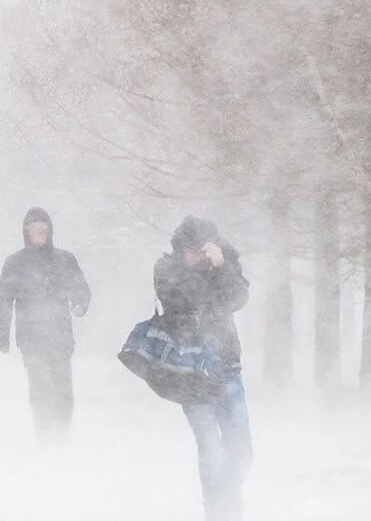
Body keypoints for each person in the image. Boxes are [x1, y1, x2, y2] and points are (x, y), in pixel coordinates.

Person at [154, 216, 252, 521]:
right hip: (190, 372)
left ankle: (229, 507)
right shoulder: (166, 269)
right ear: (181, 249)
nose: (199, 255)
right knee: (211, 448)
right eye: (193, 250)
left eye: (204, 249)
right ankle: (218, 513)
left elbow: (237, 298)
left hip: (226, 365)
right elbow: (183, 302)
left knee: (241, 450)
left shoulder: (225, 263)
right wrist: (202, 270)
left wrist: (221, 266)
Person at [0, 207, 91, 444]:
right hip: (31, 338)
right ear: (26, 233)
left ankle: (62, 434)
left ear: (50, 232)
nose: (39, 234)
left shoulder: (64, 260)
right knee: (39, 389)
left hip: (60, 335)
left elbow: (80, 287)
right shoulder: (15, 263)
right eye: (34, 230)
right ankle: (45, 436)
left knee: (63, 389)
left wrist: (80, 303)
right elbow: (3, 299)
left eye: (43, 230)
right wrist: (1, 336)